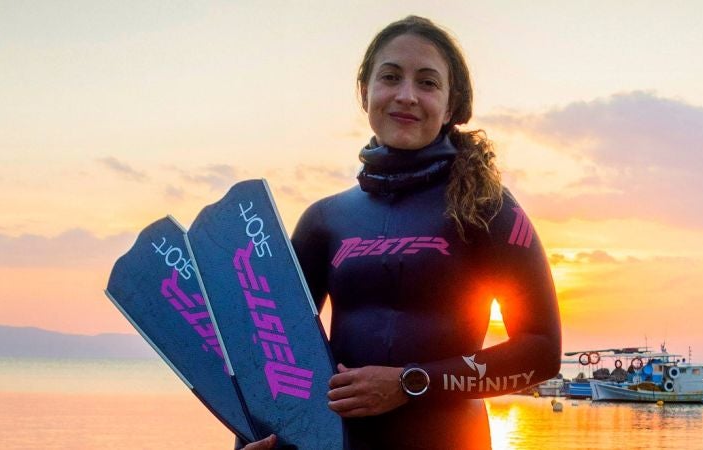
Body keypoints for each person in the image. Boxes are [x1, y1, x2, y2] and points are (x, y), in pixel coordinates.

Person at [240, 15, 561, 450]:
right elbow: (273, 354)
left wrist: (411, 382)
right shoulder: (324, 219)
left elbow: (541, 352)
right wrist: (255, 439)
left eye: (427, 83)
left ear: (450, 105)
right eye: (390, 77)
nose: (406, 95)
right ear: (365, 92)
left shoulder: (486, 207)